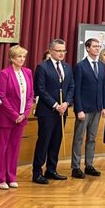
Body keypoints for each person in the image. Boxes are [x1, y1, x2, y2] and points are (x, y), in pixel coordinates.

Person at [32, 38, 74, 185]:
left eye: (64, 51)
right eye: (59, 51)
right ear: (51, 51)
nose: (62, 53)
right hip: (47, 111)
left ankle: (51, 169)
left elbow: (71, 87)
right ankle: (37, 172)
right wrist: (56, 105)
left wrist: (66, 103)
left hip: (63, 111)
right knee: (44, 142)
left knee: (56, 141)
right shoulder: (42, 67)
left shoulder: (67, 68)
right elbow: (40, 90)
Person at [0, 45, 34, 190]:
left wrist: (24, 114)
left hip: (21, 118)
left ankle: (11, 176)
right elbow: (2, 96)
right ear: (11, 58)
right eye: (19, 57)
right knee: (2, 149)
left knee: (14, 148)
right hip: (5, 118)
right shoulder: (5, 73)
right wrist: (15, 114)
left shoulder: (28, 72)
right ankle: (0, 178)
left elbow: (30, 96)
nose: (22, 59)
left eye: (23, 56)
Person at [71, 38, 105, 179]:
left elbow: (103, 87)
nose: (97, 49)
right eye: (94, 46)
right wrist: (78, 109)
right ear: (87, 48)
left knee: (92, 138)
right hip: (84, 109)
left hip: (97, 108)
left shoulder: (101, 65)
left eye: (99, 46)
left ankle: (89, 165)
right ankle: (75, 167)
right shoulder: (80, 66)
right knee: (79, 138)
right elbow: (77, 90)